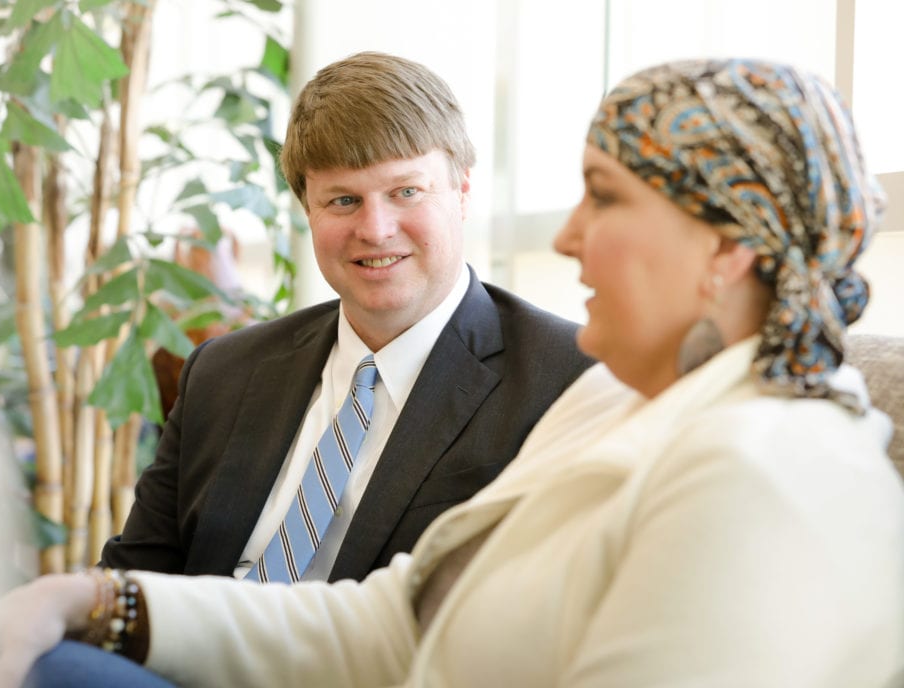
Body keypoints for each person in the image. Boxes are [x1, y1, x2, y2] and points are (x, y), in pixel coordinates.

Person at [0, 57, 904, 688]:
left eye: (606, 197)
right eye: (342, 201)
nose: (564, 236)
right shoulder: (614, 402)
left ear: (728, 247)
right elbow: (396, 621)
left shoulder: (756, 473)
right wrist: (97, 601)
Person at [100, 51, 591, 582]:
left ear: (462, 191)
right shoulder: (222, 373)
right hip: (184, 658)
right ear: (307, 209)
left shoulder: (565, 379)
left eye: (406, 191)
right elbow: (133, 577)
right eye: (342, 201)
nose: (375, 229)